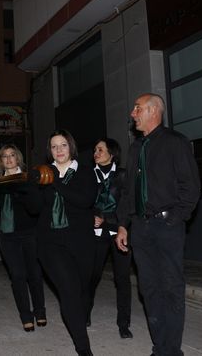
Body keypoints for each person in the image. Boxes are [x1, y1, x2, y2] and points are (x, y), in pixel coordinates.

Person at [116, 93, 200, 356]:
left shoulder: (176, 143)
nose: (132, 113)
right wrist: (123, 224)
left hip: (166, 227)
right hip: (140, 229)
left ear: (153, 111)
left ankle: (171, 351)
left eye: (137, 108)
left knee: (171, 289)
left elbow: (191, 187)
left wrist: (174, 218)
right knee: (149, 289)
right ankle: (159, 347)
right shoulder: (136, 148)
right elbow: (129, 192)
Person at [36, 129, 97, 356]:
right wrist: (28, 186)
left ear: (71, 147)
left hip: (81, 241)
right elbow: (34, 208)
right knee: (69, 291)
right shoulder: (42, 173)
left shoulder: (85, 172)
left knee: (81, 292)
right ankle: (84, 348)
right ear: (49, 151)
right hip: (50, 242)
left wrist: (55, 182)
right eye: (54, 146)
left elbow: (85, 200)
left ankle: (79, 320)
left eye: (63, 145)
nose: (59, 150)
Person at [0, 144, 45, 332]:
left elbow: (35, 207)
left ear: (18, 158)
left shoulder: (28, 178)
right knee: (18, 276)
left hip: (29, 233)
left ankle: (40, 311)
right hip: (7, 235)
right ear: (0, 161)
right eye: (4, 156)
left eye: (12, 155)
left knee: (34, 274)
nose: (9, 159)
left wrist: (20, 189)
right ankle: (26, 316)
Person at [88, 138, 133, 339]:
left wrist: (108, 220)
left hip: (118, 231)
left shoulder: (123, 175)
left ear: (111, 154)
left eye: (100, 149)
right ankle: (84, 314)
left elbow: (127, 205)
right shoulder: (89, 175)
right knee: (92, 276)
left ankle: (124, 323)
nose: (96, 153)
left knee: (122, 279)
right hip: (95, 233)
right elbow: (83, 201)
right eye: (95, 150)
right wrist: (91, 216)